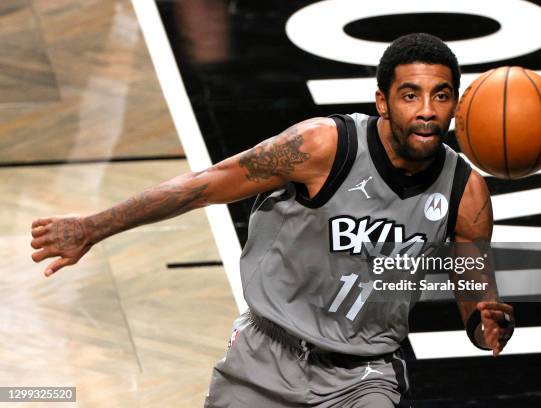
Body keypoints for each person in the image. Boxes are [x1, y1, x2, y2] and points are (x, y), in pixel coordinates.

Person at [30, 33, 515, 407]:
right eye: (410, 95)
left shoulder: (464, 190)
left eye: (441, 95)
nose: (427, 111)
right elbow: (204, 185)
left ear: (457, 103)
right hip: (266, 355)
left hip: (364, 374)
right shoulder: (325, 146)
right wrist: (94, 227)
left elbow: (473, 283)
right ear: (383, 102)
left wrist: (482, 322)